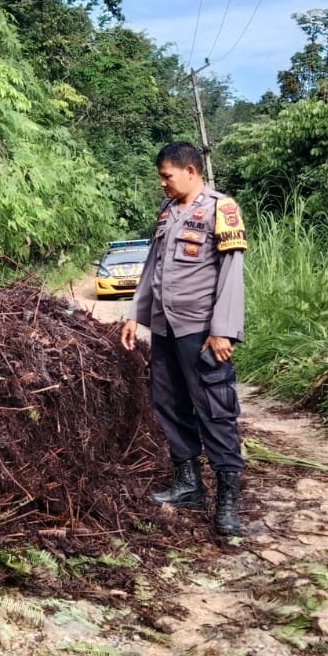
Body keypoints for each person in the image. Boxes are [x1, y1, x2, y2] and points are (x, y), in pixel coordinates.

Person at [119, 141, 248, 536]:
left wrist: (223, 329)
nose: (162, 183)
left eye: (166, 176)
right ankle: (188, 486)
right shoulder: (166, 213)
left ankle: (227, 502)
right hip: (164, 329)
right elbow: (152, 268)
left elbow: (231, 273)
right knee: (169, 403)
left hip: (201, 332)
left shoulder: (220, 209)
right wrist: (135, 316)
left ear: (191, 171)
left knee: (214, 408)